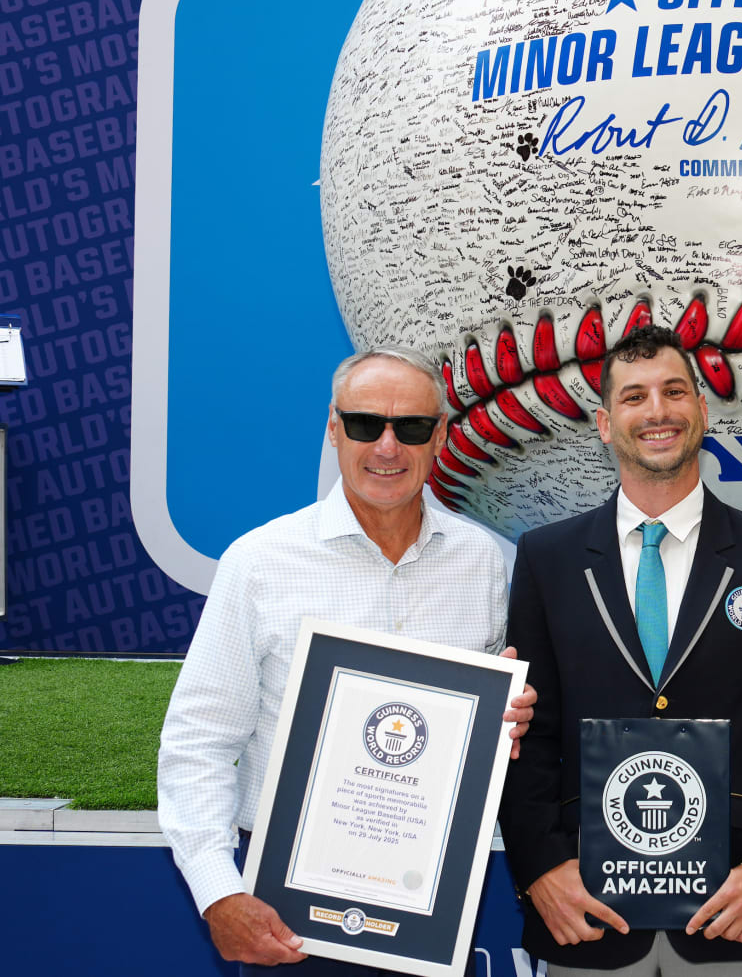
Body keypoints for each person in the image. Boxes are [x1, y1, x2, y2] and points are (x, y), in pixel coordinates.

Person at [157, 350, 536, 972]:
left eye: (411, 427)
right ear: (333, 427)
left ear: (439, 436)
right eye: (365, 424)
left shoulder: (481, 562)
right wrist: (218, 890)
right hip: (289, 911)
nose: (387, 446)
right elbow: (197, 742)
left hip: (433, 902)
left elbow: (483, 725)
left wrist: (507, 717)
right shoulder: (260, 562)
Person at [500, 323, 742, 976]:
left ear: (702, 411)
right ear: (604, 422)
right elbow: (526, 734)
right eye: (635, 396)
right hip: (587, 917)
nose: (657, 412)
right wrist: (540, 868)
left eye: (675, 392)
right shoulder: (548, 559)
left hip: (729, 915)